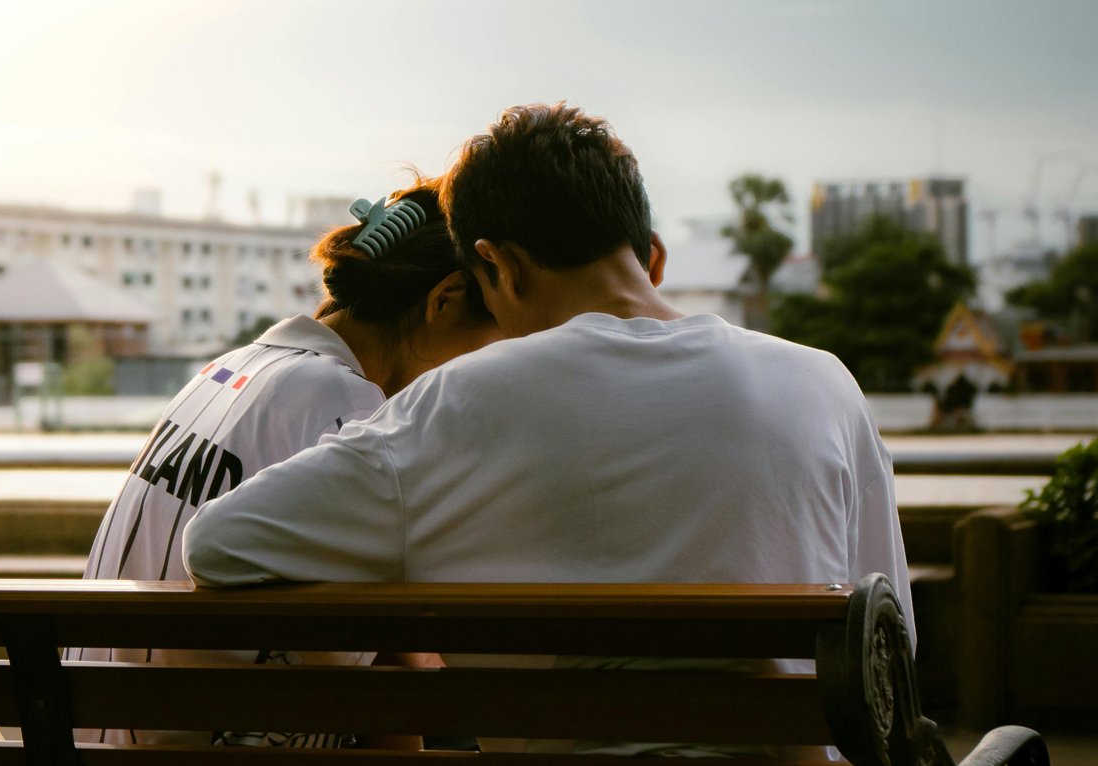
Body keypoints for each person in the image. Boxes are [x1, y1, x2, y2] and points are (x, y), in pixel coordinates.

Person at [182, 103, 914, 756]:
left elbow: (220, 545)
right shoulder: (824, 383)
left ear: (497, 267)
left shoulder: (456, 404)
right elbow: (891, 643)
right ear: (651, 254)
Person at [72, 177, 500, 748]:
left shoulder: (230, 368)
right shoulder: (345, 404)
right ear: (443, 301)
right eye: (488, 344)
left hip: (90, 731)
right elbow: (381, 668)